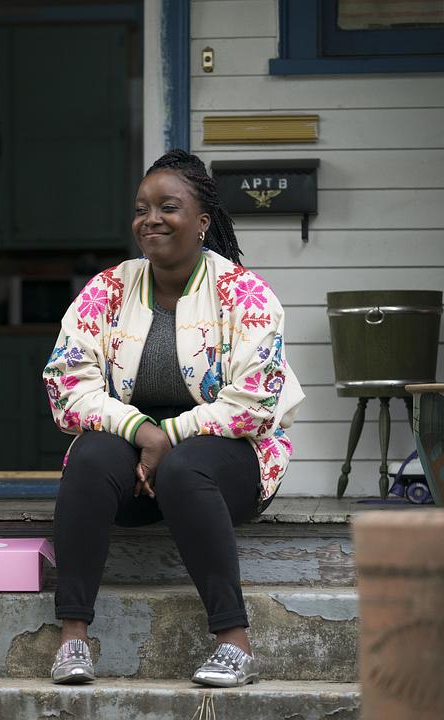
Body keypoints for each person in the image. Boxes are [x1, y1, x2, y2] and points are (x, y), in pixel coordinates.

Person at [42, 149, 304, 687]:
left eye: (168, 207)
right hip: (136, 457)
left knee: (186, 468)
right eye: (142, 209)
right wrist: (141, 431)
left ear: (202, 221)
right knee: (89, 457)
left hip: (230, 457)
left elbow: (256, 401)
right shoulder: (109, 289)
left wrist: (170, 436)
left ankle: (234, 642)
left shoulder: (244, 294)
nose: (151, 219)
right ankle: (72, 637)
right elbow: (67, 384)